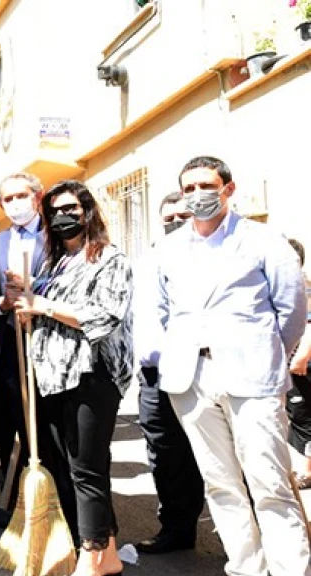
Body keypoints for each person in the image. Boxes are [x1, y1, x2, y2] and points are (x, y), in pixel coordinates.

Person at [155, 156, 311, 576]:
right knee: (220, 482)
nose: (198, 193)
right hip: (193, 380)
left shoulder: (263, 241)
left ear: (228, 189)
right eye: (189, 187)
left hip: (252, 378)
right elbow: (164, 310)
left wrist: (264, 353)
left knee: (270, 483)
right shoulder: (170, 248)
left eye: (207, 184)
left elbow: (292, 310)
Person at [14, 180, 132, 576]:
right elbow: (45, 314)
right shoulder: (54, 264)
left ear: (87, 212)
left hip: (91, 377)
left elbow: (104, 316)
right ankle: (111, 554)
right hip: (54, 378)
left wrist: (44, 307)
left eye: (70, 209)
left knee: (87, 471)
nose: (63, 217)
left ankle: (90, 563)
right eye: (55, 211)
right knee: (76, 468)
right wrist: (27, 306)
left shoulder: (109, 259)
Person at [0, 171, 50, 522]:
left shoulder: (57, 236)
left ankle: (57, 500)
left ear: (37, 196)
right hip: (10, 346)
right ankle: (19, 502)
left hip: (52, 343)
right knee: (13, 422)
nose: (16, 203)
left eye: (22, 196)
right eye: (8, 199)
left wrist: (34, 290)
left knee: (50, 427)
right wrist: (2, 304)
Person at [133, 190, 205, 554]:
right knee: (163, 451)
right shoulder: (149, 257)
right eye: (168, 217)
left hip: (194, 368)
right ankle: (176, 528)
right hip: (151, 373)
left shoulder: (204, 256)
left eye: (181, 215)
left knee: (207, 450)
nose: (174, 221)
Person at [288, 238, 311, 487]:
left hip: (302, 364)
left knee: (304, 417)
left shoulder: (305, 287)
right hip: (290, 362)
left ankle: (306, 471)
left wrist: (302, 356)